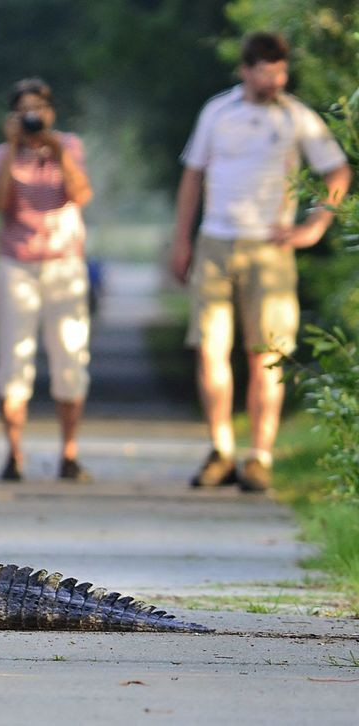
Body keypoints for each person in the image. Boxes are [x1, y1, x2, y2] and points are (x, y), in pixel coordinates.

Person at [169, 31, 352, 492]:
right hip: (216, 240)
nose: (275, 79)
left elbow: (337, 169)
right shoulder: (218, 111)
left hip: (270, 248)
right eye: (266, 70)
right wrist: (181, 240)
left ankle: (260, 457)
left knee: (266, 354)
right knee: (210, 349)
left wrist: (313, 226)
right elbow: (193, 176)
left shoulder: (296, 117)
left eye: (281, 70)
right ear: (246, 70)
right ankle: (221, 449)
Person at [0, 77, 94, 483]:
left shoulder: (70, 146)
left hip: (64, 264)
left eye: (39, 110)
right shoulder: (2, 153)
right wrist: (14, 148)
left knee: (70, 358)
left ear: (51, 113)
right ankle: (14, 454)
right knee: (13, 360)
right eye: (25, 111)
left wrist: (57, 151)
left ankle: (69, 453)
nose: (33, 117)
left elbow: (81, 194)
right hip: (18, 264)